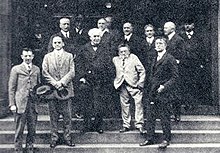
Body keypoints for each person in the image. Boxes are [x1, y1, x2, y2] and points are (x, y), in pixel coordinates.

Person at [139, 37, 179, 149]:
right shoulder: (153, 57)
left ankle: (166, 139)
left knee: (164, 116)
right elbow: (150, 75)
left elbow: (175, 77)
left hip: (163, 93)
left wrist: (164, 86)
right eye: (156, 43)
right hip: (152, 92)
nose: (158, 45)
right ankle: (150, 138)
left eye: (160, 43)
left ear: (165, 45)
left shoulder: (170, 58)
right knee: (150, 117)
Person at [76, 28, 112, 134]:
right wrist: (82, 77)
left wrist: (106, 78)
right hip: (87, 80)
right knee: (86, 103)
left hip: (101, 81)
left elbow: (109, 64)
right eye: (94, 36)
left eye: (98, 36)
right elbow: (78, 64)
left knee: (99, 105)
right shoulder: (84, 48)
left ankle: (98, 125)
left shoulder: (105, 49)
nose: (96, 38)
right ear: (90, 37)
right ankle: (86, 125)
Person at [42, 36, 75, 148]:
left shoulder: (69, 56)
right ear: (52, 44)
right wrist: (54, 83)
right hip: (52, 90)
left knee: (67, 117)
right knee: (53, 117)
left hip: (65, 90)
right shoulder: (47, 57)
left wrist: (62, 82)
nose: (57, 44)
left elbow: (72, 72)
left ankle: (68, 138)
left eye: (59, 42)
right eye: (55, 42)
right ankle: (54, 138)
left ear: (63, 43)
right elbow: (45, 72)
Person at [8, 48, 41, 153]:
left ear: (33, 56)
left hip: (32, 103)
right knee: (19, 128)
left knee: (32, 127)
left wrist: (38, 98)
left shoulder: (36, 69)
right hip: (20, 103)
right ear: (22, 57)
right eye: (25, 56)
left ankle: (30, 146)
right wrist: (12, 104)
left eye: (29, 56)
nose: (27, 58)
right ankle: (18, 148)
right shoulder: (16, 69)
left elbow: (39, 86)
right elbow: (11, 88)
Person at [112, 43, 146, 134]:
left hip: (134, 85)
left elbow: (142, 71)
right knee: (124, 105)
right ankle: (126, 124)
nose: (123, 53)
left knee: (138, 104)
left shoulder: (133, 58)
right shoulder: (115, 59)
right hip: (122, 85)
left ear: (129, 51)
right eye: (121, 51)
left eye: (125, 51)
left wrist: (140, 83)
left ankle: (139, 124)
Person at [179, 18, 207, 109]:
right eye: (186, 24)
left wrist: (202, 63)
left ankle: (194, 104)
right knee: (184, 83)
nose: (187, 26)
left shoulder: (199, 37)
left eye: (189, 24)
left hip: (195, 64)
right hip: (184, 64)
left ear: (193, 25)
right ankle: (186, 103)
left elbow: (202, 51)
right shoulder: (181, 37)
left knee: (194, 83)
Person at [163, 21, 186, 122]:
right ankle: (168, 113)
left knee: (175, 92)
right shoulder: (164, 40)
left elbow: (183, 54)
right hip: (165, 69)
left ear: (172, 29)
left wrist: (176, 61)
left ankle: (176, 114)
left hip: (174, 69)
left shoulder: (178, 40)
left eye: (166, 28)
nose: (164, 29)